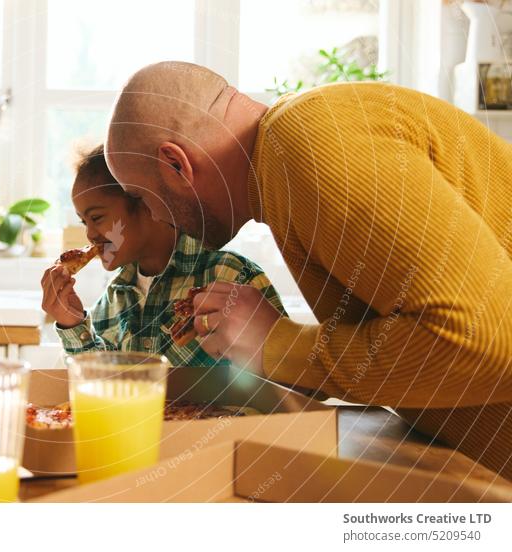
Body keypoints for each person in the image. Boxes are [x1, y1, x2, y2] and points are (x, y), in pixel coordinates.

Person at [104, 61, 512, 480]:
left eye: (140, 197)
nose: (152, 215)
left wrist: (276, 343)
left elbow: (485, 337)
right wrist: (266, 342)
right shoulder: (283, 166)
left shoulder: (308, 140)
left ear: (176, 164)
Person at [41, 144, 284, 367]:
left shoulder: (230, 275)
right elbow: (102, 391)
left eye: (96, 218)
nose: (90, 234)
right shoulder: (113, 301)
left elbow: (292, 379)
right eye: (84, 222)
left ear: (147, 203)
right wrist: (72, 323)